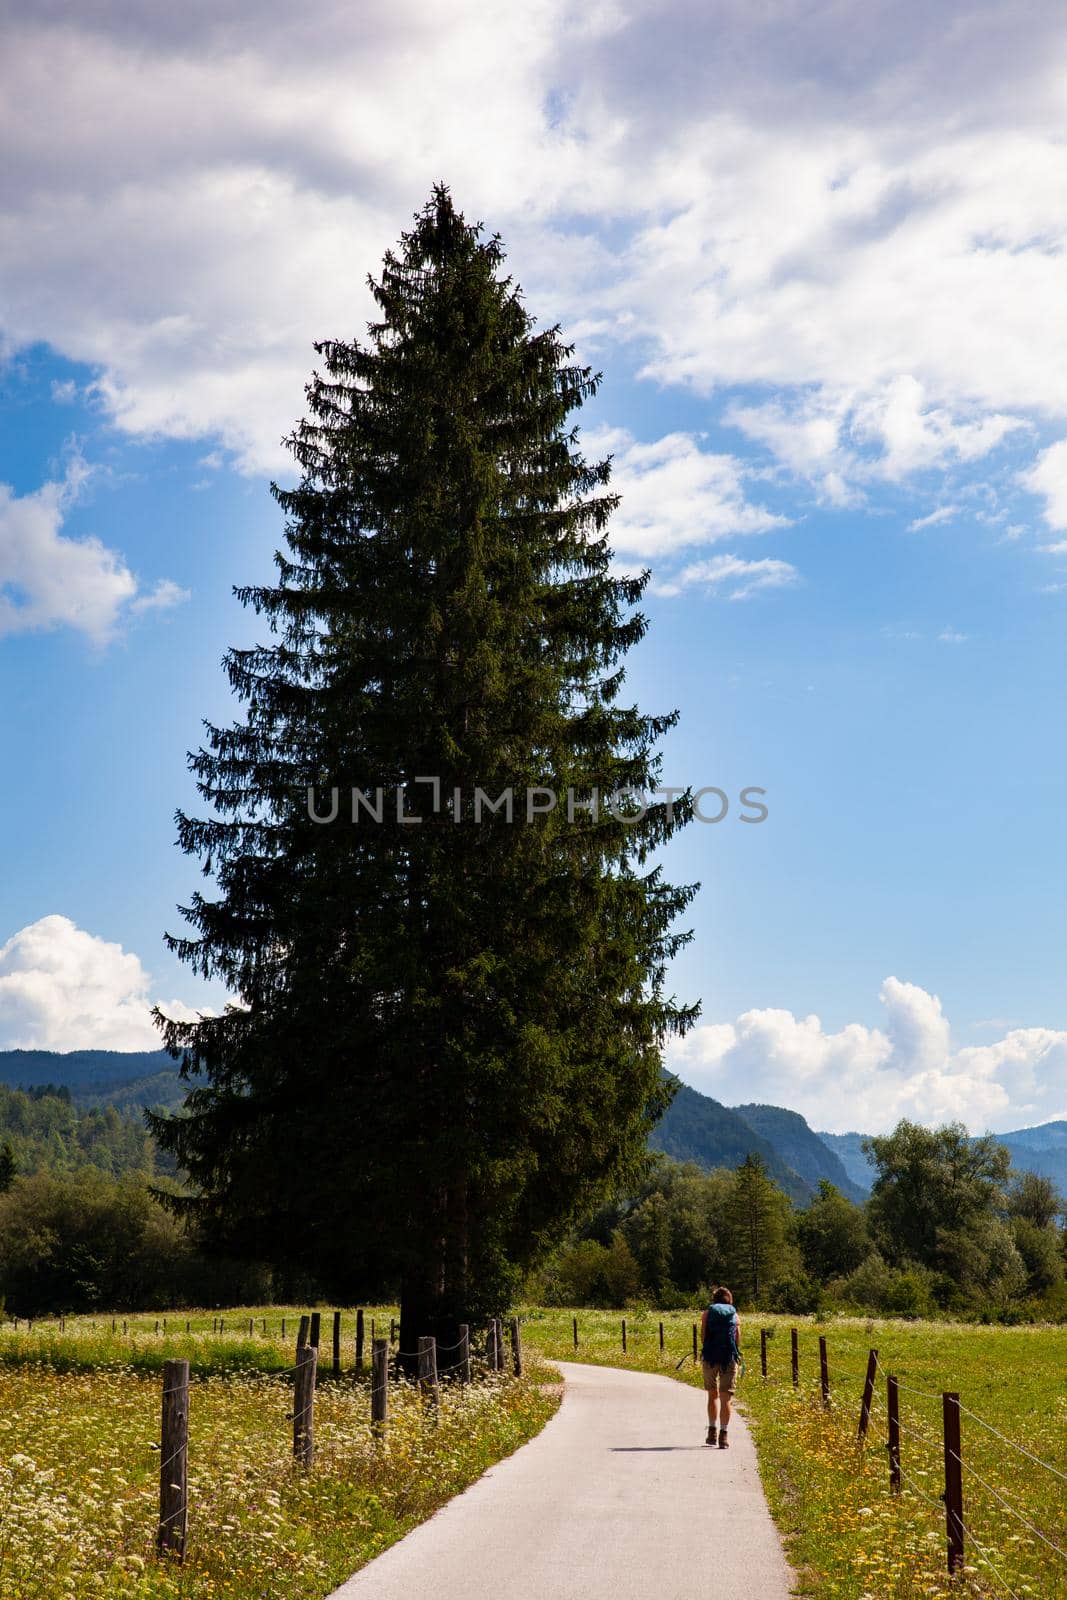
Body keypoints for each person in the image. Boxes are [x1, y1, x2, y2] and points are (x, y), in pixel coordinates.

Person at [700, 1286, 740, 1448]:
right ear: (729, 1300)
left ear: (714, 1300)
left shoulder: (707, 1314)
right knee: (726, 1398)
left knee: (712, 1395)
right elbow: (737, 1339)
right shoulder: (735, 1315)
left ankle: (712, 1432)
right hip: (728, 1358)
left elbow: (703, 1336)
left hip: (710, 1357)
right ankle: (723, 1436)